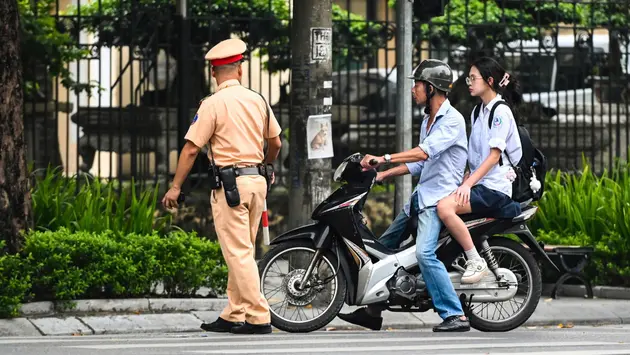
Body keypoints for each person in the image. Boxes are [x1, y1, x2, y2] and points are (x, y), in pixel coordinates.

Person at [337, 59, 471, 332]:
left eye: (417, 84)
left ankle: (455, 315)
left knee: (424, 254)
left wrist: (383, 159)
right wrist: (383, 175)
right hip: (421, 197)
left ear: (432, 88)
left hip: (437, 201)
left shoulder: (453, 120)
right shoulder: (428, 119)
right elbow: (420, 164)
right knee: (380, 250)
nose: (413, 89)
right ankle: (373, 312)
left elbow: (423, 153)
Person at [161, 38, 282, 335]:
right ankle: (234, 312)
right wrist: (267, 166)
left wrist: (176, 186)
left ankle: (258, 316)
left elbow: (191, 150)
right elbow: (276, 142)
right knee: (241, 250)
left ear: (214, 74)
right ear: (239, 70)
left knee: (237, 252)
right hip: (257, 183)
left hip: (231, 186)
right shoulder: (258, 100)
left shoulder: (213, 104)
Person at [436, 56, 523, 284]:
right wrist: (465, 178)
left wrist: (467, 184)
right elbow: (477, 157)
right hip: (480, 184)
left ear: (490, 81)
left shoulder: (500, 112)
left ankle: (475, 259)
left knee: (445, 208)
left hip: (495, 188)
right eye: (469, 78)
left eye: (473, 78)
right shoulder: (478, 112)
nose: (469, 82)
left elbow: (494, 157)